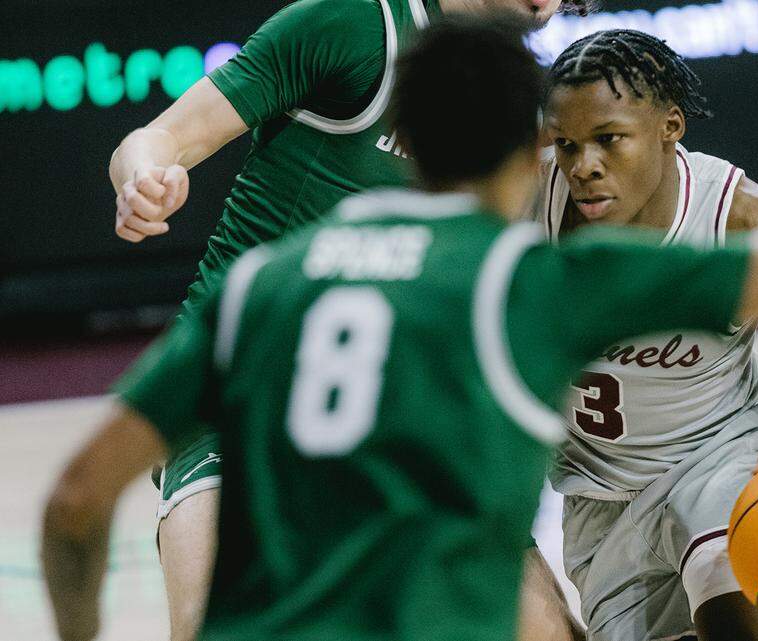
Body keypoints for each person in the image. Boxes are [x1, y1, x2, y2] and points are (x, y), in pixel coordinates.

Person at [48, 11, 758, 641]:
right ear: (521, 156)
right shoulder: (515, 274)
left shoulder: (264, 299)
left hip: (648, 469)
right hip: (470, 493)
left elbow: (78, 496)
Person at [106, 1, 586, 638]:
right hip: (243, 390)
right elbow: (159, 138)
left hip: (397, 404)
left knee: (547, 630)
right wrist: (143, 178)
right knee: (211, 624)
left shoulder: (514, 87)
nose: (553, 2)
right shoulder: (353, 22)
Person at [538, 30, 758, 640]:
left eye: (608, 139)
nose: (583, 166)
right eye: (566, 144)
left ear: (670, 126)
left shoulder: (744, 219)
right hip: (599, 500)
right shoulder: (519, 204)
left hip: (723, 460)